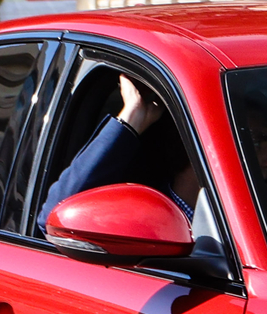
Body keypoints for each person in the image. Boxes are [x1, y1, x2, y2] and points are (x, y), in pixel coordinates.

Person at [40, 74, 200, 230]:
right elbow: (54, 217)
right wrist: (132, 116)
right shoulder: (145, 220)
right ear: (193, 152)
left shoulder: (219, 217)